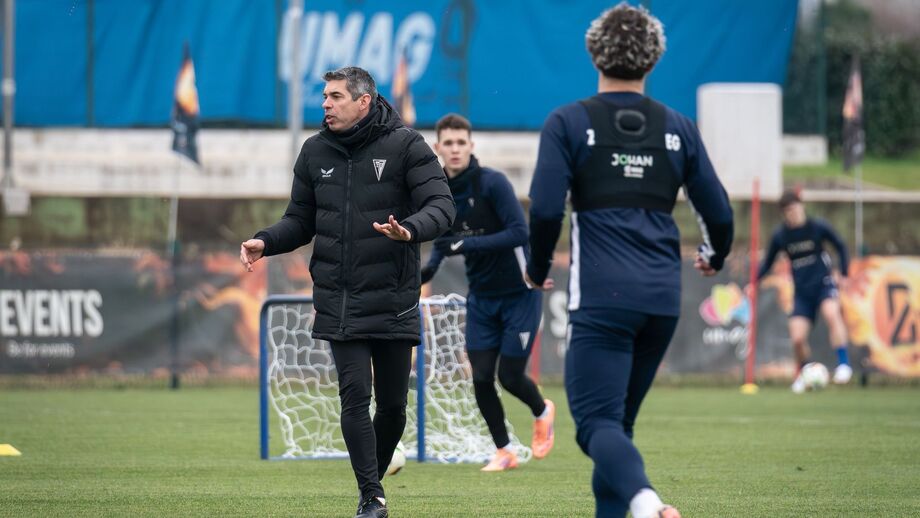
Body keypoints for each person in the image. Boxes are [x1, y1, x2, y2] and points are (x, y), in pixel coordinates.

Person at [525, 4, 734, 518]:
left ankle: (646, 503)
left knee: (595, 425)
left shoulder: (568, 121)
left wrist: (537, 267)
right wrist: (714, 254)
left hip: (603, 297)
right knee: (616, 428)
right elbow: (719, 213)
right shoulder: (679, 127)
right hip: (662, 300)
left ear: (593, 52)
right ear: (654, 59)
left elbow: (547, 207)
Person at [239, 66, 455, 518]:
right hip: (339, 300)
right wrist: (266, 241)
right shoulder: (314, 151)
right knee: (355, 396)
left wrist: (410, 230)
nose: (325, 104)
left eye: (335, 96)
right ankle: (371, 497)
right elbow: (299, 221)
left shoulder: (407, 145)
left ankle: (372, 483)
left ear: (363, 101)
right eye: (325, 96)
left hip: (394, 298)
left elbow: (442, 207)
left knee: (393, 408)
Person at [422, 113, 556, 472]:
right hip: (481, 297)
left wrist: (466, 244)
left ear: (471, 146)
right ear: (438, 148)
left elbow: (519, 233)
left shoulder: (492, 183)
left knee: (509, 376)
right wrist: (420, 273)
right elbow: (441, 247)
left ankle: (542, 411)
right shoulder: (440, 193)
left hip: (520, 293)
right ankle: (504, 451)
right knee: (481, 377)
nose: (455, 149)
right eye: (448, 143)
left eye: (460, 143)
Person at [754, 189, 852, 393]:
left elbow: (841, 246)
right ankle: (805, 373)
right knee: (797, 338)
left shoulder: (817, 227)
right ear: (784, 213)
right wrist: (753, 281)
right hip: (801, 292)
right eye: (789, 210)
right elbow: (768, 262)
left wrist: (843, 273)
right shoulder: (781, 236)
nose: (794, 213)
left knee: (832, 313)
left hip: (824, 284)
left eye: (796, 208)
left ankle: (844, 365)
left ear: (802, 207)